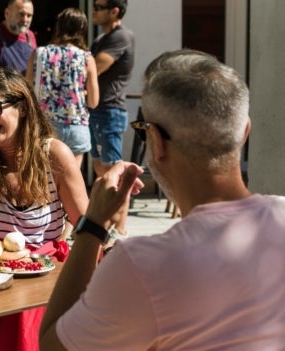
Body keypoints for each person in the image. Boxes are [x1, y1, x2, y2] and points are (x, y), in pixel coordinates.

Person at [39, 50, 285, 349]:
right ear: (245, 130)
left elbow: (53, 344)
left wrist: (92, 226)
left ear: (155, 142)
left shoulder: (141, 265)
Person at [0, 67, 89, 351]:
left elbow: (87, 227)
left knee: (18, 311)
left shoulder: (53, 155)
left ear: (23, 107)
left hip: (39, 273)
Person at [26, 7, 99, 167]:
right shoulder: (86, 57)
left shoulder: (39, 53)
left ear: (58, 27)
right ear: (82, 29)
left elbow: (28, 90)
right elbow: (93, 101)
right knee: (72, 183)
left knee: (44, 183)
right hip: (75, 125)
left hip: (46, 126)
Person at [88, 0, 134, 177]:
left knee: (114, 172)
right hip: (97, 110)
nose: (93, 11)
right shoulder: (101, 38)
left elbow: (95, 68)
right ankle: (106, 207)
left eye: (99, 7)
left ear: (114, 11)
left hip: (109, 111)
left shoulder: (121, 36)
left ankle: (119, 208)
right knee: (100, 168)